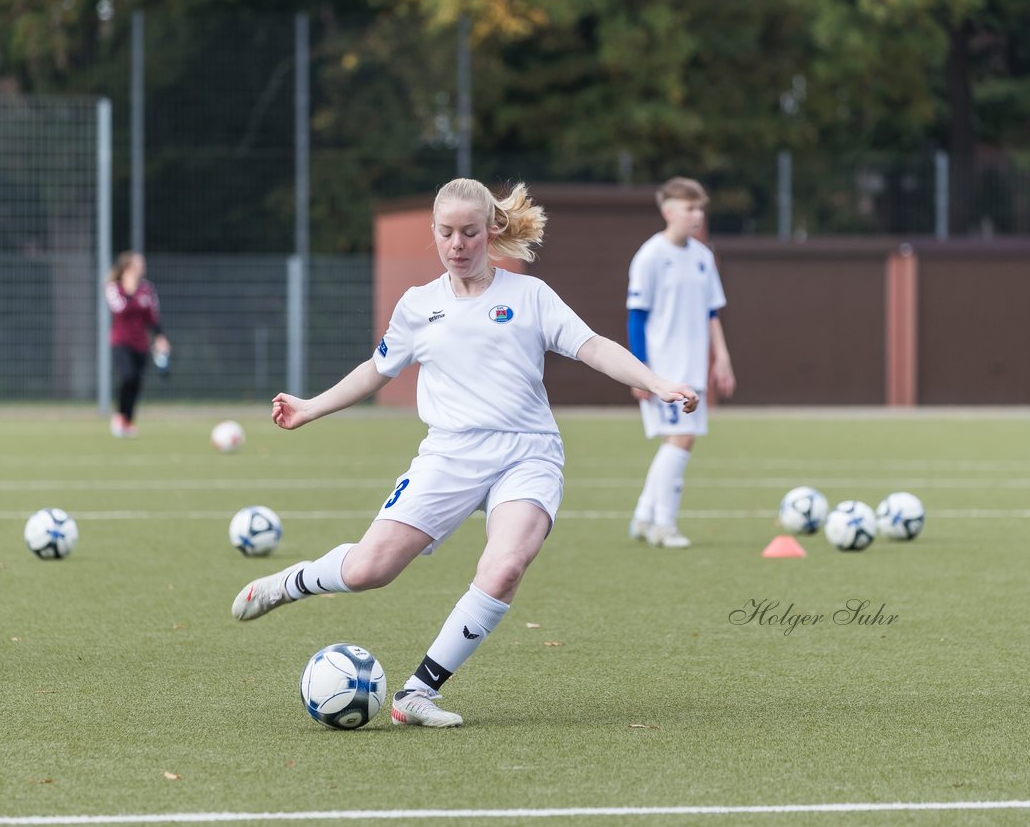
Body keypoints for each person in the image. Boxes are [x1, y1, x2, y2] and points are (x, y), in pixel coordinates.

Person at [231, 178, 698, 728]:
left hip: (529, 454)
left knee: (504, 568)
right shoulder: (418, 306)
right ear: (434, 233)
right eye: (447, 233)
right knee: (367, 571)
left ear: (491, 230)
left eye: (470, 232)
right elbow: (377, 370)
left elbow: (592, 345)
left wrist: (656, 380)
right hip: (449, 455)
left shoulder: (530, 295)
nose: (458, 244)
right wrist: (311, 407)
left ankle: (416, 695)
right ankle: (287, 584)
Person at [625, 176, 736, 549]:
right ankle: (663, 525)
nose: (697, 214)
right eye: (690, 207)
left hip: (694, 369)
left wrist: (722, 358)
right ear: (668, 211)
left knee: (678, 442)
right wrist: (640, 373)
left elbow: (711, 314)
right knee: (681, 439)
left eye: (701, 207)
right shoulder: (650, 256)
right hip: (664, 372)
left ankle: (643, 516)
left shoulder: (704, 257)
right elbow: (636, 317)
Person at [104, 250, 170, 437]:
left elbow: (152, 317)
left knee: (137, 383)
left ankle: (129, 421)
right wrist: (130, 291)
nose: (143, 266)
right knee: (127, 376)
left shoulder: (147, 288)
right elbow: (120, 309)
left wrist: (160, 338)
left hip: (141, 343)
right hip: (121, 342)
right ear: (128, 266)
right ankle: (120, 417)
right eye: (139, 263)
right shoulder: (113, 287)